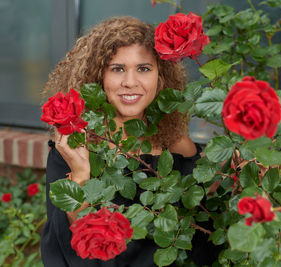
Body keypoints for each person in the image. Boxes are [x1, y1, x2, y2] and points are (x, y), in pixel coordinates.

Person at [40, 16, 218, 266]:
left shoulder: (174, 141)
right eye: (117, 68)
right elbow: (73, 254)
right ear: (98, 76)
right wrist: (80, 176)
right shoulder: (73, 150)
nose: (130, 82)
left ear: (161, 76)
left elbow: (203, 230)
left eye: (143, 68)